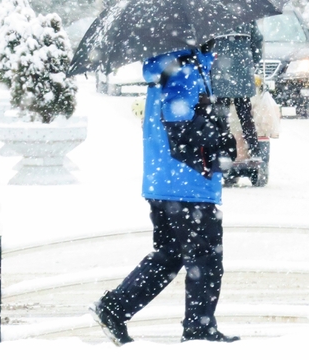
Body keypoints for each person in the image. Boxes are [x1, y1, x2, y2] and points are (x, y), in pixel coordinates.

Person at [90, 44, 239, 346]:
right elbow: (179, 119)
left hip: (165, 180)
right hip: (188, 184)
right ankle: (199, 331)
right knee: (206, 259)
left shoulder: (169, 62)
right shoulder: (184, 65)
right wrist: (220, 139)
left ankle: (116, 308)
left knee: (169, 256)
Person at [211, 21, 264, 158]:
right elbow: (258, 39)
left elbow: (204, 44)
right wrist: (253, 60)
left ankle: (224, 150)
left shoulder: (213, 15)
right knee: (245, 112)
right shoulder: (246, 16)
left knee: (221, 114)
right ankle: (253, 148)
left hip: (220, 71)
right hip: (243, 69)